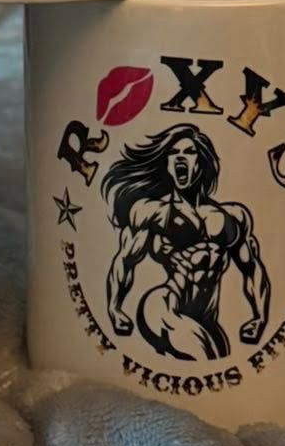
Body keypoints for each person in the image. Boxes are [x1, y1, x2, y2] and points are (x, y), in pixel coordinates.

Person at [101, 125, 269, 362]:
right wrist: (114, 309)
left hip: (207, 318)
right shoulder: (152, 212)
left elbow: (251, 268)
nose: (181, 157)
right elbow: (125, 260)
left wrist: (259, 317)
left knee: (217, 358)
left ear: (200, 162)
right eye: (173, 153)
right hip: (162, 306)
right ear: (167, 165)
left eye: (189, 152)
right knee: (202, 356)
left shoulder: (232, 217)